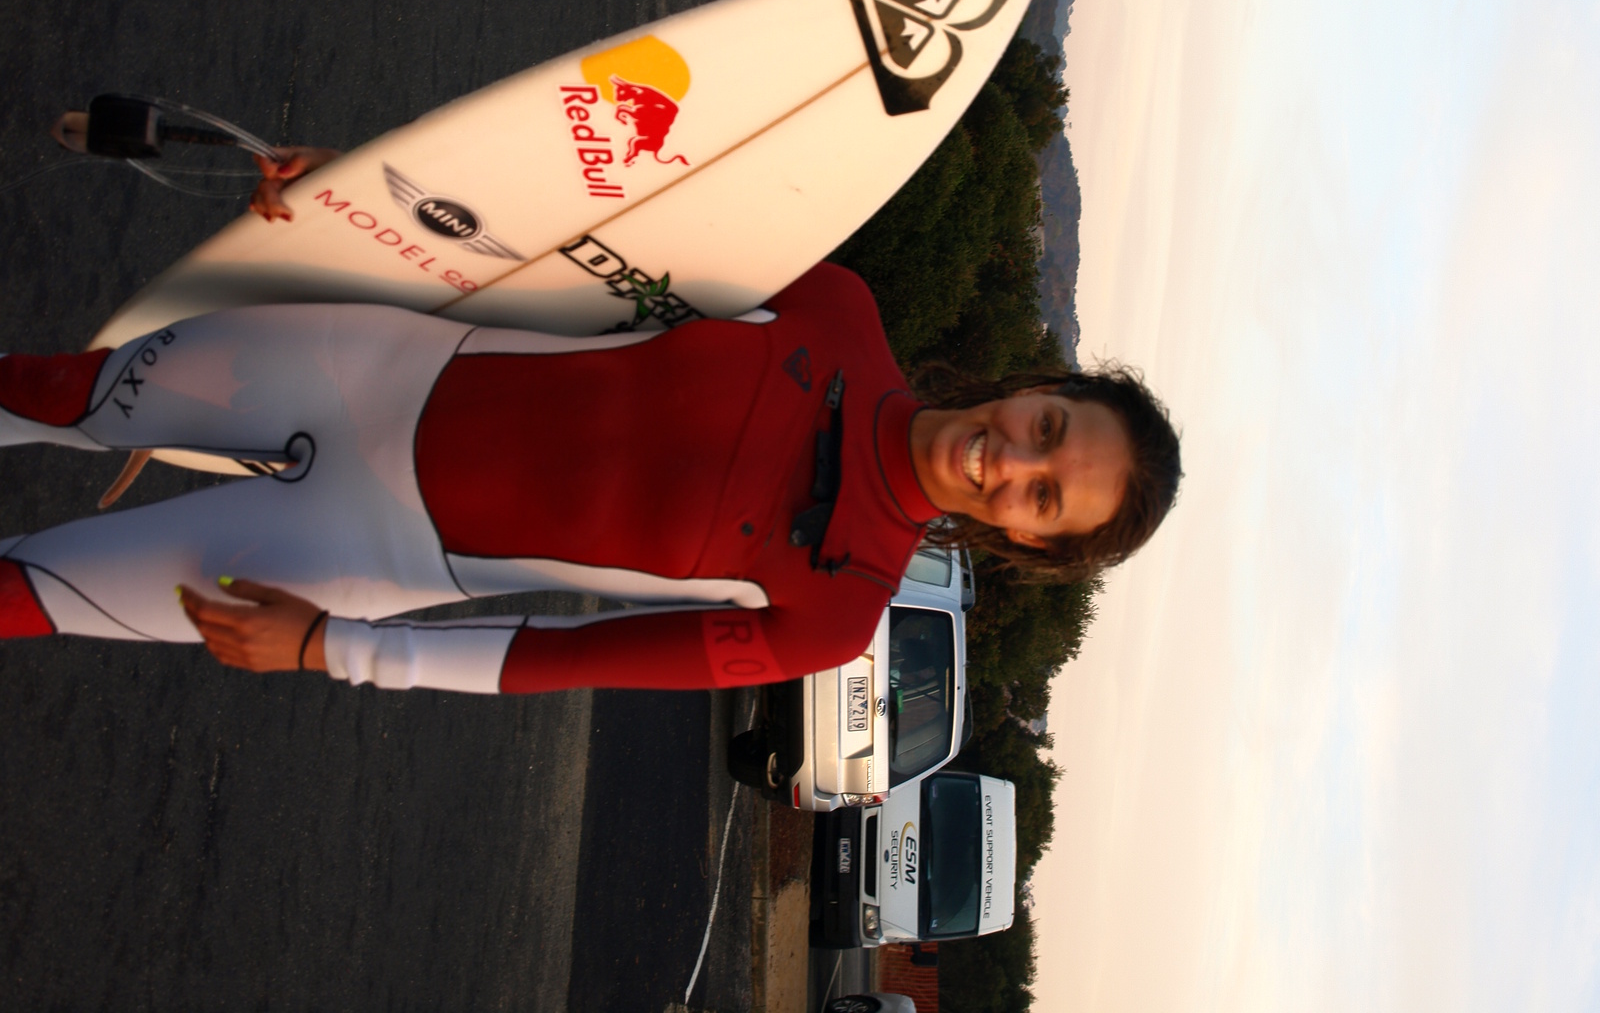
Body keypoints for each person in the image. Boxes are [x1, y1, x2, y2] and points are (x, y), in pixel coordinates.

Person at [0, 152, 1180, 695]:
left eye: (1042, 496)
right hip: (365, 364)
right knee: (53, 391)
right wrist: (357, 201)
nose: (1010, 461)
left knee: (27, 596)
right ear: (1039, 387)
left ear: (1028, 542)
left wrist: (332, 649)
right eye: (1046, 428)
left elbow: (560, 659)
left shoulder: (833, 612)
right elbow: (577, 247)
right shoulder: (834, 307)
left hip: (356, 552)